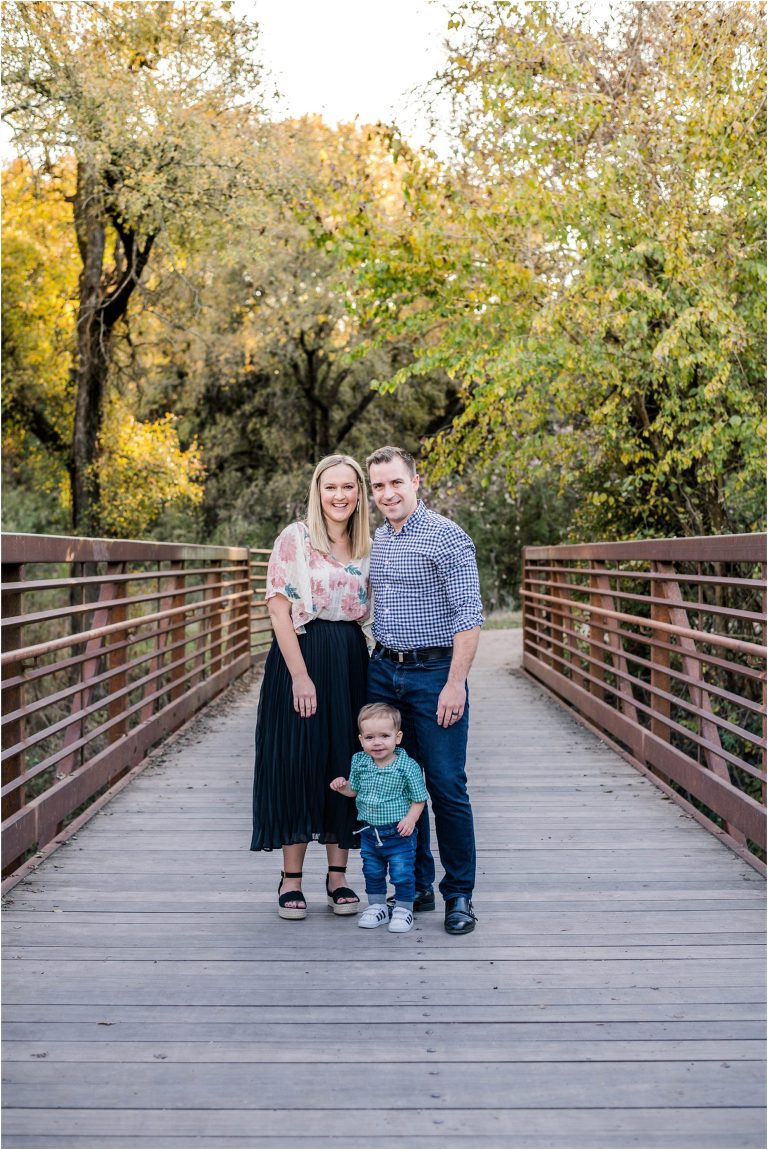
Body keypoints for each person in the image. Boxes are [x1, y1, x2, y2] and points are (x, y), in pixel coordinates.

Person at [365, 446, 484, 935]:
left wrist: (455, 683)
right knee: (398, 785)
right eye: (378, 487)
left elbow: (469, 616)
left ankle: (460, 896)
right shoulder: (379, 537)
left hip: (435, 675)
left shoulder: (447, 538)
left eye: (396, 482)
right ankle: (416, 887)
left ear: (417, 481)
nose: (388, 493)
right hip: (383, 670)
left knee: (445, 786)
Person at [250, 454, 371, 920]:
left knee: (344, 758)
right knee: (297, 760)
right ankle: (291, 878)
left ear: (359, 493)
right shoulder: (295, 538)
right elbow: (279, 610)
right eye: (330, 487)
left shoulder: (367, 546)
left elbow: (374, 611)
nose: (339, 496)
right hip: (300, 654)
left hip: (349, 657)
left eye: (348, 487)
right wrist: (300, 675)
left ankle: (338, 876)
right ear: (317, 492)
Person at [330, 702, 429, 934]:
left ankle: (404, 909)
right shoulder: (360, 761)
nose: (377, 742)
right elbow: (354, 790)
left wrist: (411, 819)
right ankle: (377, 906)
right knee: (372, 871)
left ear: (398, 737)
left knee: (401, 872)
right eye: (370, 737)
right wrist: (342, 787)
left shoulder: (407, 766)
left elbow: (420, 798)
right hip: (369, 833)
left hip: (398, 833)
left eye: (385, 736)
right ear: (361, 739)